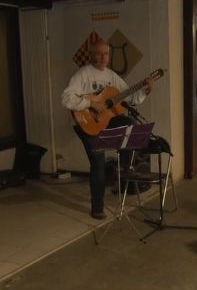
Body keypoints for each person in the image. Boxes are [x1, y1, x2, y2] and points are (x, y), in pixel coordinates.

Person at [61, 40, 154, 219]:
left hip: (104, 121)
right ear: (92, 55)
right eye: (99, 53)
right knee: (98, 162)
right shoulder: (83, 74)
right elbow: (66, 98)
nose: (103, 57)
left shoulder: (112, 77)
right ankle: (97, 208)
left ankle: (125, 166)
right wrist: (92, 103)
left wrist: (146, 90)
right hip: (84, 122)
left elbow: (130, 97)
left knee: (129, 122)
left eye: (106, 54)